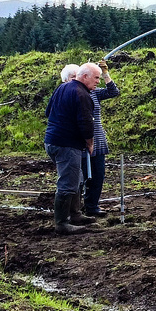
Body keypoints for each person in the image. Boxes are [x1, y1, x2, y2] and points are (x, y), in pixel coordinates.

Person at [44, 63, 102, 234]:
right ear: (85, 77)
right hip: (66, 144)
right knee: (68, 182)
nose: (98, 82)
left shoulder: (62, 88)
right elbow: (86, 123)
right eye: (96, 78)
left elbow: (49, 112)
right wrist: (90, 143)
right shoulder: (82, 94)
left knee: (77, 178)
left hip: (53, 141)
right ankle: (62, 223)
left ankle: (75, 214)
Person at [82, 60, 120, 217]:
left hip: (97, 139)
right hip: (82, 141)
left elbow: (113, 92)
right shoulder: (77, 92)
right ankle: (77, 206)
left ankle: (92, 205)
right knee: (82, 176)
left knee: (98, 174)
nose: (97, 82)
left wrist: (105, 73)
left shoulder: (94, 92)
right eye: (95, 78)